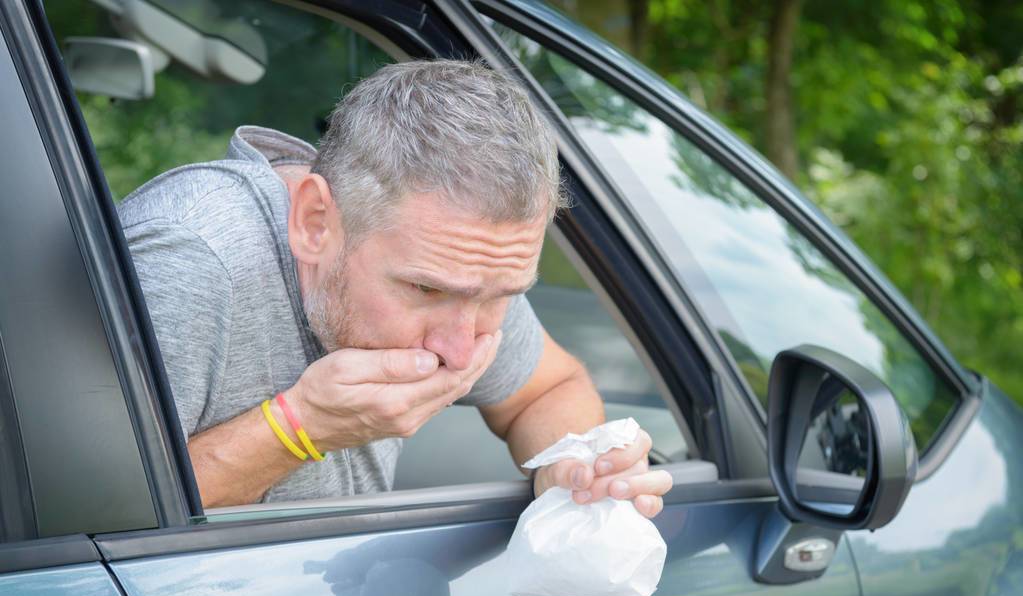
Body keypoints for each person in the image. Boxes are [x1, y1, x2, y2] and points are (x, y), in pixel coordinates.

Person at [118, 59, 673, 513]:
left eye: (501, 295)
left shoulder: (463, 265)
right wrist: (299, 428)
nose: (459, 352)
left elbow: (548, 390)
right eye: (426, 291)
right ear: (315, 222)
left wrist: (570, 465)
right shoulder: (191, 258)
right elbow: (76, 526)